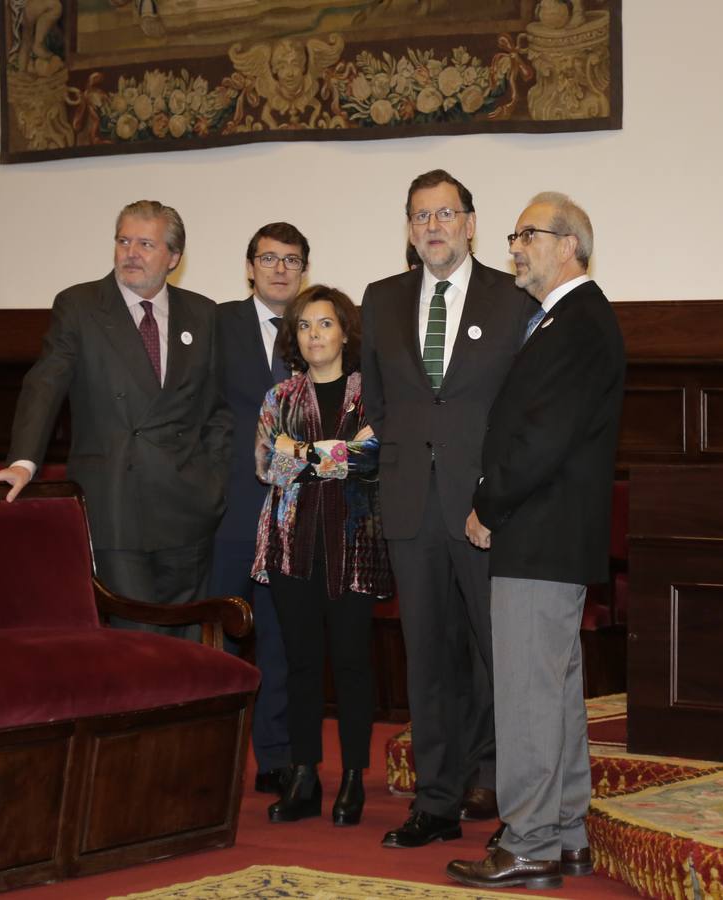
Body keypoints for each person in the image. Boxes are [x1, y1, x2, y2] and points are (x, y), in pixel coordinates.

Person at [447, 192, 624, 891]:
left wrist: (489, 503)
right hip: (551, 533)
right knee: (552, 691)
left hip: (537, 528)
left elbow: (539, 439)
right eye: (515, 234)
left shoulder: (577, 322)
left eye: (528, 234)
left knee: (526, 693)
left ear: (568, 244)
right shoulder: (566, 319)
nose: (514, 245)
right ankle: (566, 834)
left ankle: (526, 843)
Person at [361, 170, 537, 848]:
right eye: (420, 216)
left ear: (469, 222)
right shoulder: (380, 300)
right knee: (427, 655)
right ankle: (434, 800)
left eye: (446, 214)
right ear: (409, 228)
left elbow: (525, 402)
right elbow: (379, 401)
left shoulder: (513, 298)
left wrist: (493, 482)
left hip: (484, 502)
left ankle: (504, 786)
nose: (433, 226)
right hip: (409, 502)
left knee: (499, 653)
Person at [0, 200, 232, 636]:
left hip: (187, 505)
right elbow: (46, 382)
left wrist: (212, 480)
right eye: (123, 241)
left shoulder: (204, 313)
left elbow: (217, 410)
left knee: (188, 643)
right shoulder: (80, 305)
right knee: (138, 640)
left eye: (145, 243)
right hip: (116, 501)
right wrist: (23, 460)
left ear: (173, 257)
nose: (130, 252)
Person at [252, 285, 391, 826]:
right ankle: (304, 774)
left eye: (325, 324)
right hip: (291, 546)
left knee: (353, 663)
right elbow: (268, 465)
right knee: (301, 662)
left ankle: (354, 776)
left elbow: (369, 459)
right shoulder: (279, 397)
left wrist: (302, 452)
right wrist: (327, 455)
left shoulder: (370, 396)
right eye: (305, 325)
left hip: (353, 547)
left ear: (345, 332)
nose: (314, 334)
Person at [212, 222, 308, 794]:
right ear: (250, 267)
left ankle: (275, 757)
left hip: (296, 512)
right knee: (219, 633)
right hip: (229, 509)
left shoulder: (319, 329)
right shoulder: (216, 324)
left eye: (291, 261)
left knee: (281, 637)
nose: (279, 269)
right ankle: (213, 750)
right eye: (268, 259)